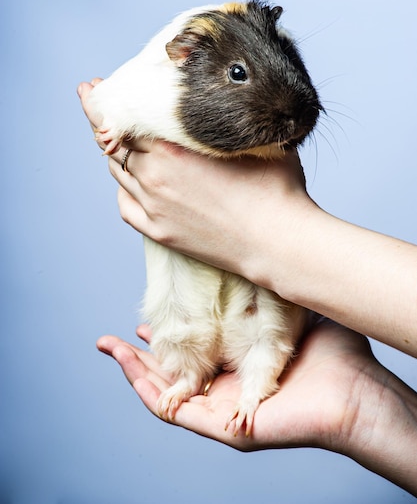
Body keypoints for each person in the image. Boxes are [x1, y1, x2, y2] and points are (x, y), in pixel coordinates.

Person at [78, 79, 417, 496]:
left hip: (257, 318)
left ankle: (237, 385)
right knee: (175, 323)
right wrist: (361, 408)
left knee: (263, 335)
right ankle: (190, 376)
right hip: (194, 309)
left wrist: (272, 234)